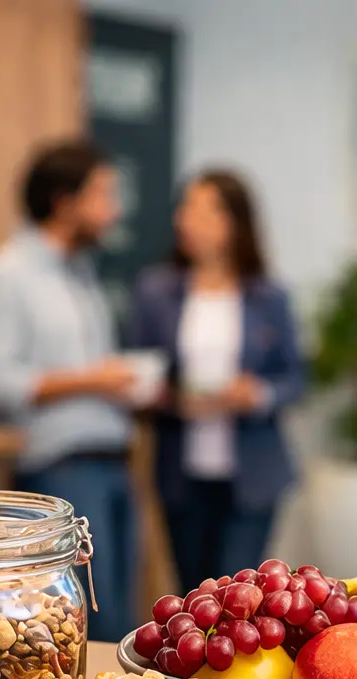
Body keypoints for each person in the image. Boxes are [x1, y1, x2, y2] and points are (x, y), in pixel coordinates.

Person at [0, 140, 141, 642]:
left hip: (114, 463)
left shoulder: (81, 274)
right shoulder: (6, 275)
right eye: (103, 195)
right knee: (85, 620)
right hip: (61, 470)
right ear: (65, 203)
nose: (115, 210)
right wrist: (91, 379)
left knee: (121, 618)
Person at [129, 169, 304, 589]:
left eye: (200, 210)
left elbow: (296, 378)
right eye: (183, 208)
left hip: (252, 472)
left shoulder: (268, 295)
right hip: (181, 473)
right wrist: (169, 398)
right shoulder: (155, 292)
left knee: (235, 592)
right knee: (193, 591)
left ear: (233, 222)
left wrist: (257, 393)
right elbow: (140, 374)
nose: (184, 220)